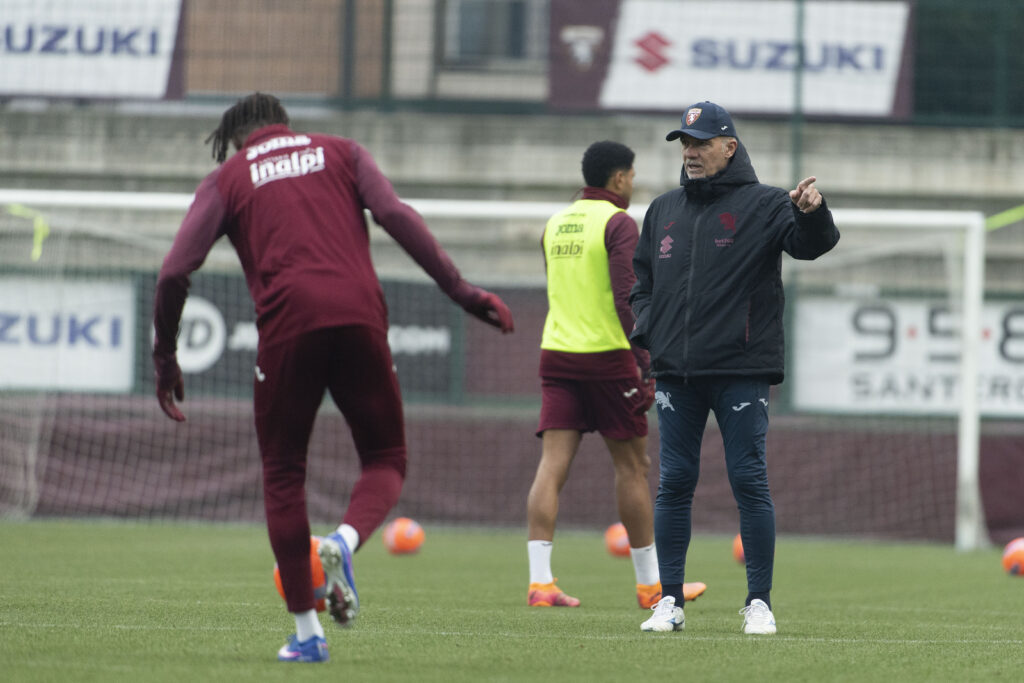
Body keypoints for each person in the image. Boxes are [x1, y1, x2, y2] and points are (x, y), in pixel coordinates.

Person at [152, 92, 514, 663]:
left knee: (283, 473)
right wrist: (460, 292)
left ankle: (307, 635)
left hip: (287, 325)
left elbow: (174, 270)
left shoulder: (228, 177)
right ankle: (343, 543)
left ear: (239, 136)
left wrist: (165, 357)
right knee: (387, 457)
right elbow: (397, 215)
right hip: (360, 316)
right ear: (284, 125)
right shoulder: (342, 152)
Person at [631, 102, 839, 634]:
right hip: (677, 370)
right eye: (684, 144)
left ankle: (759, 603)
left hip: (741, 368)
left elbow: (811, 247)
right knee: (674, 480)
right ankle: (669, 601)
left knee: (748, 478)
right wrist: (650, 329)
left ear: (730, 146)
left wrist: (812, 211)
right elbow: (643, 282)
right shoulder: (662, 209)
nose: (691, 152)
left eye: (701, 143)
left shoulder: (769, 205)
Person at [526, 140, 706, 611]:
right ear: (619, 178)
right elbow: (628, 297)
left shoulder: (556, 222)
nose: (633, 183)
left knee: (552, 465)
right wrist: (644, 361)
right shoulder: (617, 222)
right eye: (632, 175)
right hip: (606, 359)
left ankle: (540, 582)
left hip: (556, 353)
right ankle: (652, 586)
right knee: (633, 467)